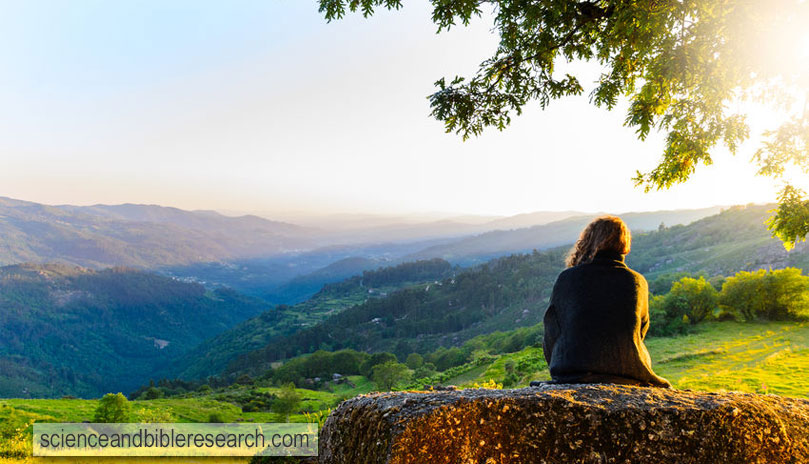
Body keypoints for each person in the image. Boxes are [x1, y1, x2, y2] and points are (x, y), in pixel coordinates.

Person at [537, 215, 670, 388]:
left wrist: (563, 365)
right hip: (629, 373)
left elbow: (551, 331)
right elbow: (640, 332)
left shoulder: (567, 278)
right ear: (625, 248)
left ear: (587, 242)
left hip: (571, 372)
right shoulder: (637, 282)